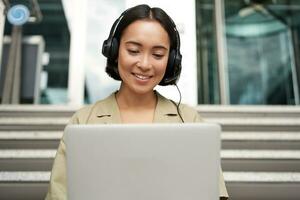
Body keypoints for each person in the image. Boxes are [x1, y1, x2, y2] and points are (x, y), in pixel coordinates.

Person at [45, 4, 229, 200]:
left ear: (172, 61)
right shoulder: (83, 121)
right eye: (133, 51)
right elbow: (59, 195)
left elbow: (212, 194)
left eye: (158, 55)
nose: (144, 64)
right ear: (114, 51)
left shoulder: (189, 120)